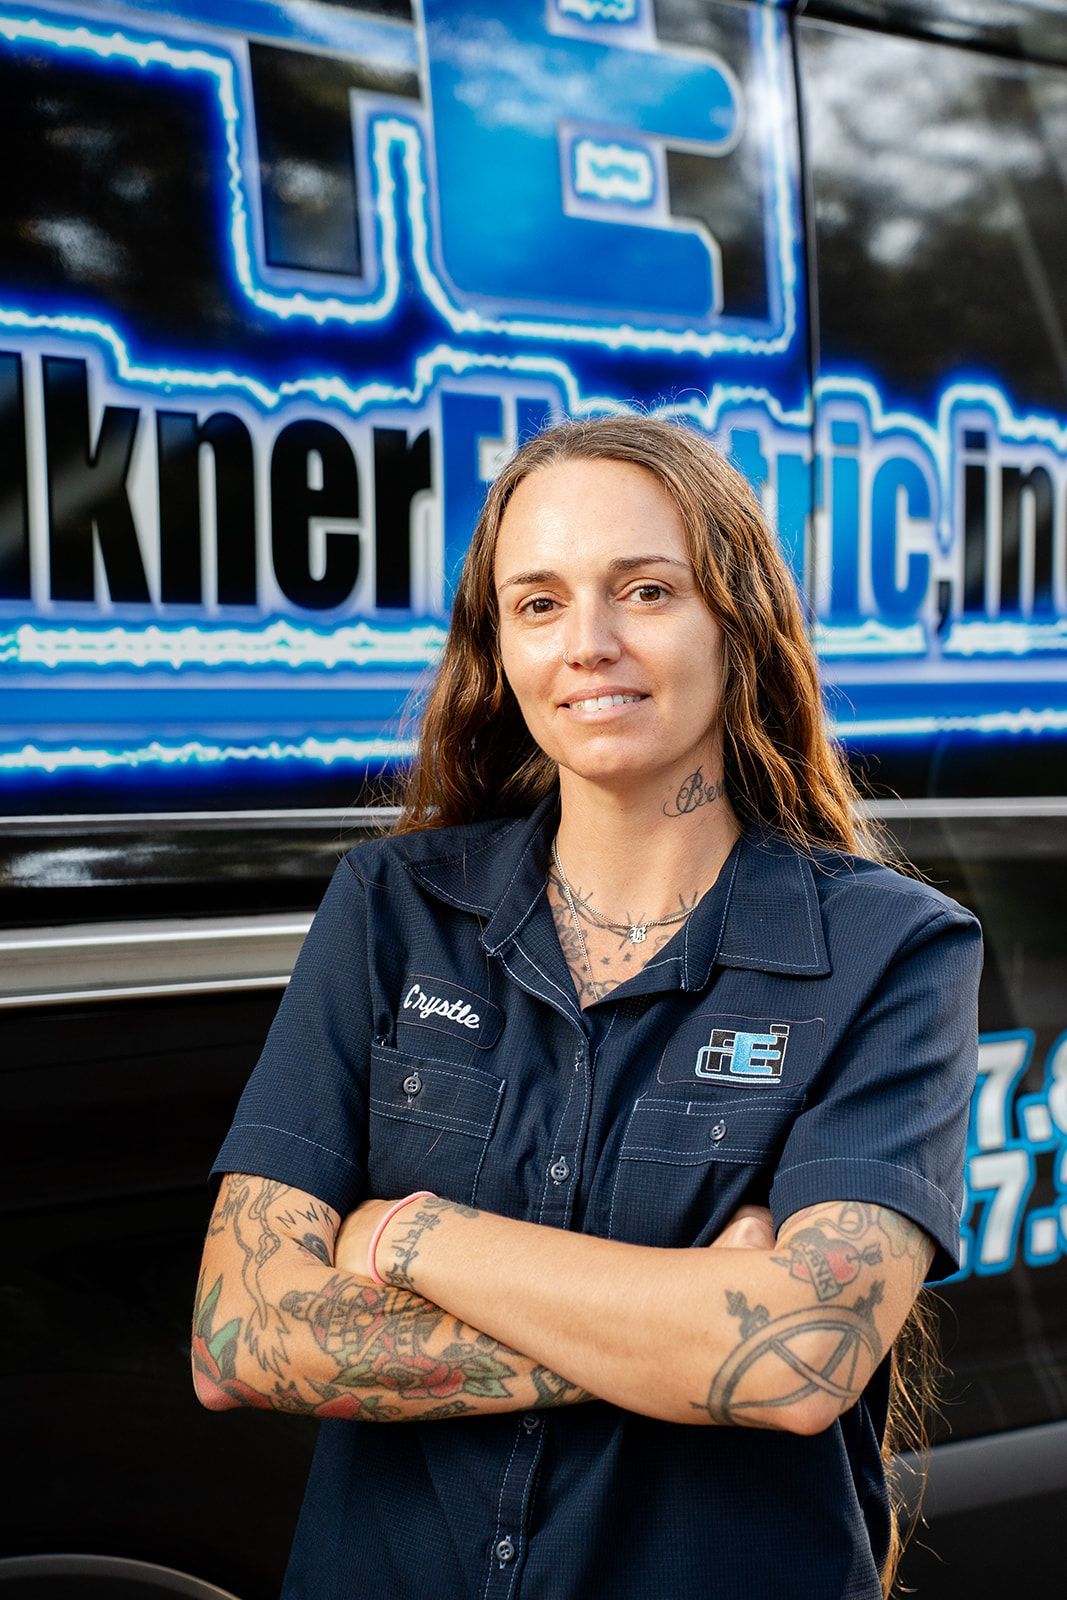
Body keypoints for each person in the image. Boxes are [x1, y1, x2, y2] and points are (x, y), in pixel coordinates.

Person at [193, 415, 982, 1600]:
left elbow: (794, 1361)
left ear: (738, 621)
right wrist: (681, 1330)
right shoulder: (388, 908)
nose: (590, 645)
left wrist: (410, 1239)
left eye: (646, 590)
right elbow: (236, 1333)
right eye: (539, 603)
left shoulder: (892, 952)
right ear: (498, 649)